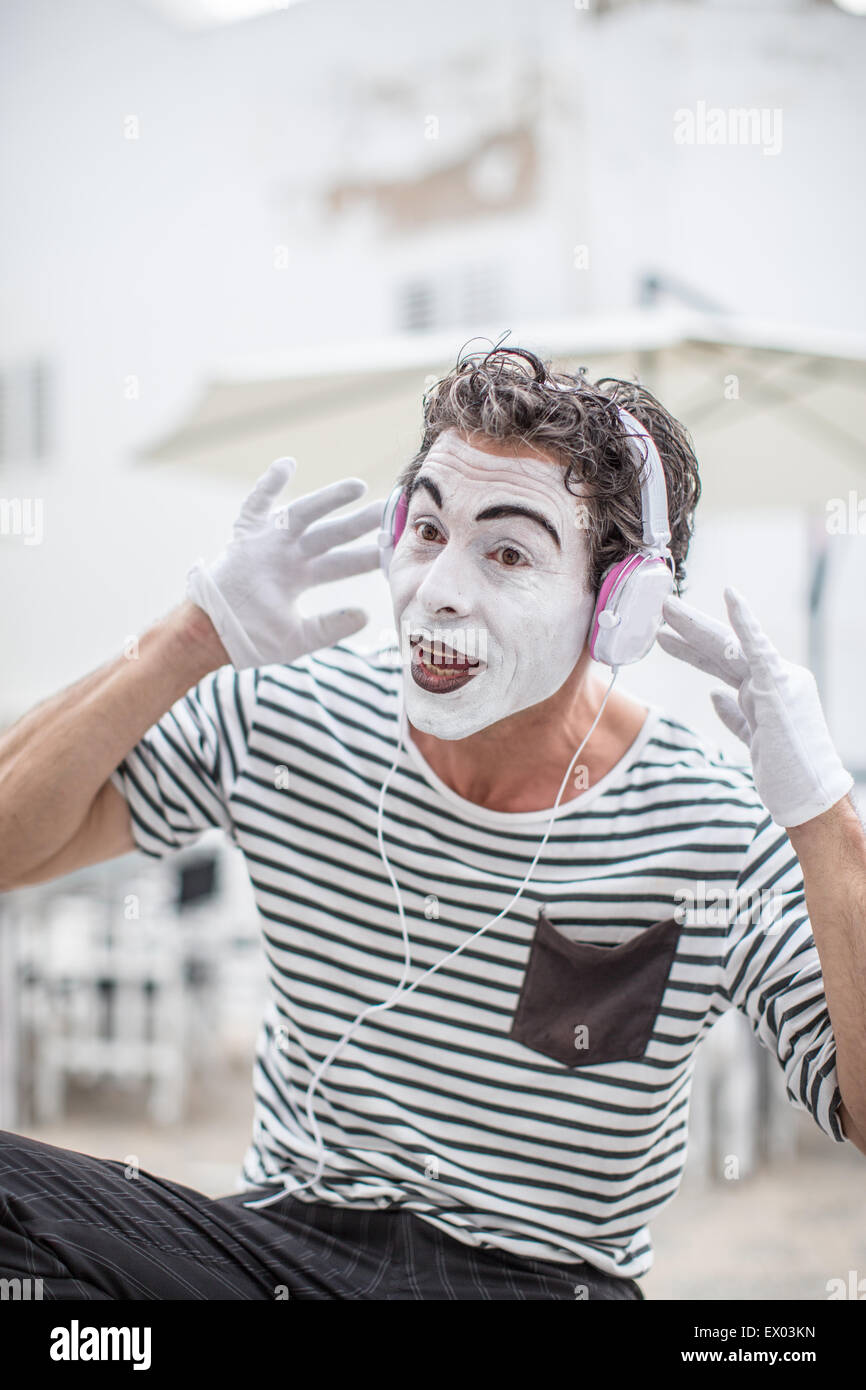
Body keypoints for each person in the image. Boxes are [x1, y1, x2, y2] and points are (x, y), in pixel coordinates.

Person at [0, 344, 863, 1302]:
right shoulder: (287, 715)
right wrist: (188, 639)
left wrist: (825, 818)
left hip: (539, 1281)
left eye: (507, 552)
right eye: (425, 531)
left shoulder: (713, 827)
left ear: (618, 607)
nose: (440, 588)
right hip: (278, 1251)